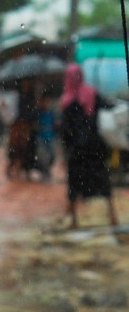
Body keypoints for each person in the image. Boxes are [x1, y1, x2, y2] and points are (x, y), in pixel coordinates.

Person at [59, 63, 119, 229]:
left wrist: (65, 151)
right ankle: (112, 216)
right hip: (95, 147)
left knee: (74, 184)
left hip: (76, 151)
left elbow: (65, 130)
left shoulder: (66, 101)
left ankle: (74, 220)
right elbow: (109, 106)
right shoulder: (91, 93)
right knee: (102, 180)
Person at [7, 78, 38, 180]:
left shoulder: (31, 96)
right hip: (17, 123)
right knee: (15, 145)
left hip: (26, 124)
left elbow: (32, 110)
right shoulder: (16, 94)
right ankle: (14, 165)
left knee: (24, 146)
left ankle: (24, 167)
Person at [34, 92, 57, 181]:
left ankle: (47, 169)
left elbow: (54, 124)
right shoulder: (38, 113)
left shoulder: (51, 113)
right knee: (43, 156)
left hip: (50, 137)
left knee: (52, 155)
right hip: (41, 137)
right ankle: (45, 171)